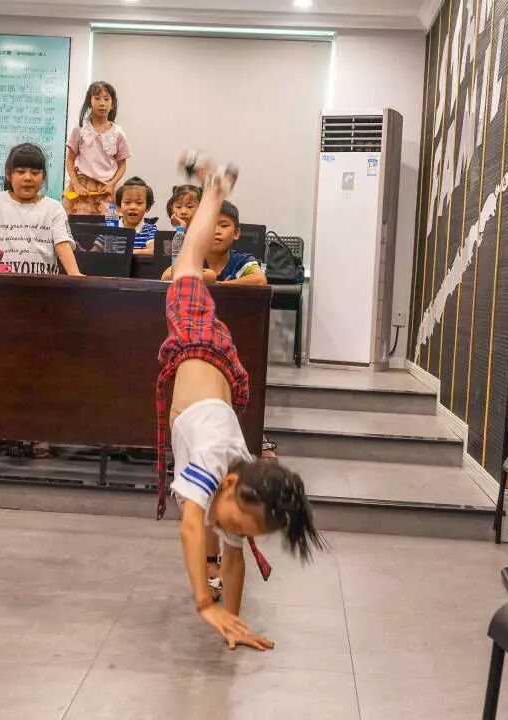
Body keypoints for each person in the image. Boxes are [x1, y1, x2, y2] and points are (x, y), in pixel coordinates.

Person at [157, 152, 324, 651]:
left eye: (240, 526)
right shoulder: (215, 464)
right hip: (201, 344)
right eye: (235, 521)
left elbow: (234, 560)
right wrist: (204, 605)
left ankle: (214, 191)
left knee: (188, 263)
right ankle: (214, 192)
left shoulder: (239, 491)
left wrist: (233, 621)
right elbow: (191, 526)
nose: (232, 528)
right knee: (187, 264)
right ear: (229, 484)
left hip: (224, 379)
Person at [0, 142, 81, 276]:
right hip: (1, 283)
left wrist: (76, 275)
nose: (28, 178)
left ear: (43, 177)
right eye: (21, 172)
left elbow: (62, 244)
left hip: (44, 284)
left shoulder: (54, 208)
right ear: (9, 175)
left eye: (35, 173)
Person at [63, 81, 130, 216]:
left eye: (106, 99)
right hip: (82, 187)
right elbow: (70, 160)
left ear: (113, 104)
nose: (102, 103)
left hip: (107, 188)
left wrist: (112, 184)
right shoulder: (80, 128)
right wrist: (76, 185)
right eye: (97, 98)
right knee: (80, 223)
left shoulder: (118, 133)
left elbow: (122, 165)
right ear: (89, 102)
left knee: (108, 224)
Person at [162, 200, 266, 286]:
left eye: (224, 225)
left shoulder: (242, 261)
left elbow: (260, 280)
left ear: (236, 233)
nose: (216, 231)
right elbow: (166, 276)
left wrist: (218, 285)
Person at [114, 177, 158, 257]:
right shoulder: (111, 228)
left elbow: (153, 250)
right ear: (119, 207)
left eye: (139, 203)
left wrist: (127, 253)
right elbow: (95, 251)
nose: (133, 207)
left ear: (147, 208)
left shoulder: (150, 229)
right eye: (127, 202)